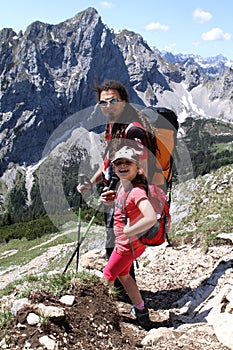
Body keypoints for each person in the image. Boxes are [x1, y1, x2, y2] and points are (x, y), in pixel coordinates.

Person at [77, 80, 156, 299]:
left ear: (124, 102)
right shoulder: (113, 127)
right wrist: (92, 183)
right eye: (104, 102)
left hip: (128, 200)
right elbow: (108, 162)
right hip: (116, 197)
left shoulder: (133, 130)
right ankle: (127, 295)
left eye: (113, 101)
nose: (108, 106)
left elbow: (145, 171)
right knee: (114, 248)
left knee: (118, 249)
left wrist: (124, 194)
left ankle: (123, 299)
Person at [100, 146, 157, 328]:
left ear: (137, 167)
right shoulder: (123, 186)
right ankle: (141, 311)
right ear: (114, 169)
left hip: (126, 246)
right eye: (118, 164)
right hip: (129, 244)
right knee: (124, 275)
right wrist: (110, 201)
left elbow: (150, 217)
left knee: (108, 275)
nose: (122, 166)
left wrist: (129, 231)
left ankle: (97, 312)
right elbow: (124, 208)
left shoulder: (136, 191)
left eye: (127, 162)